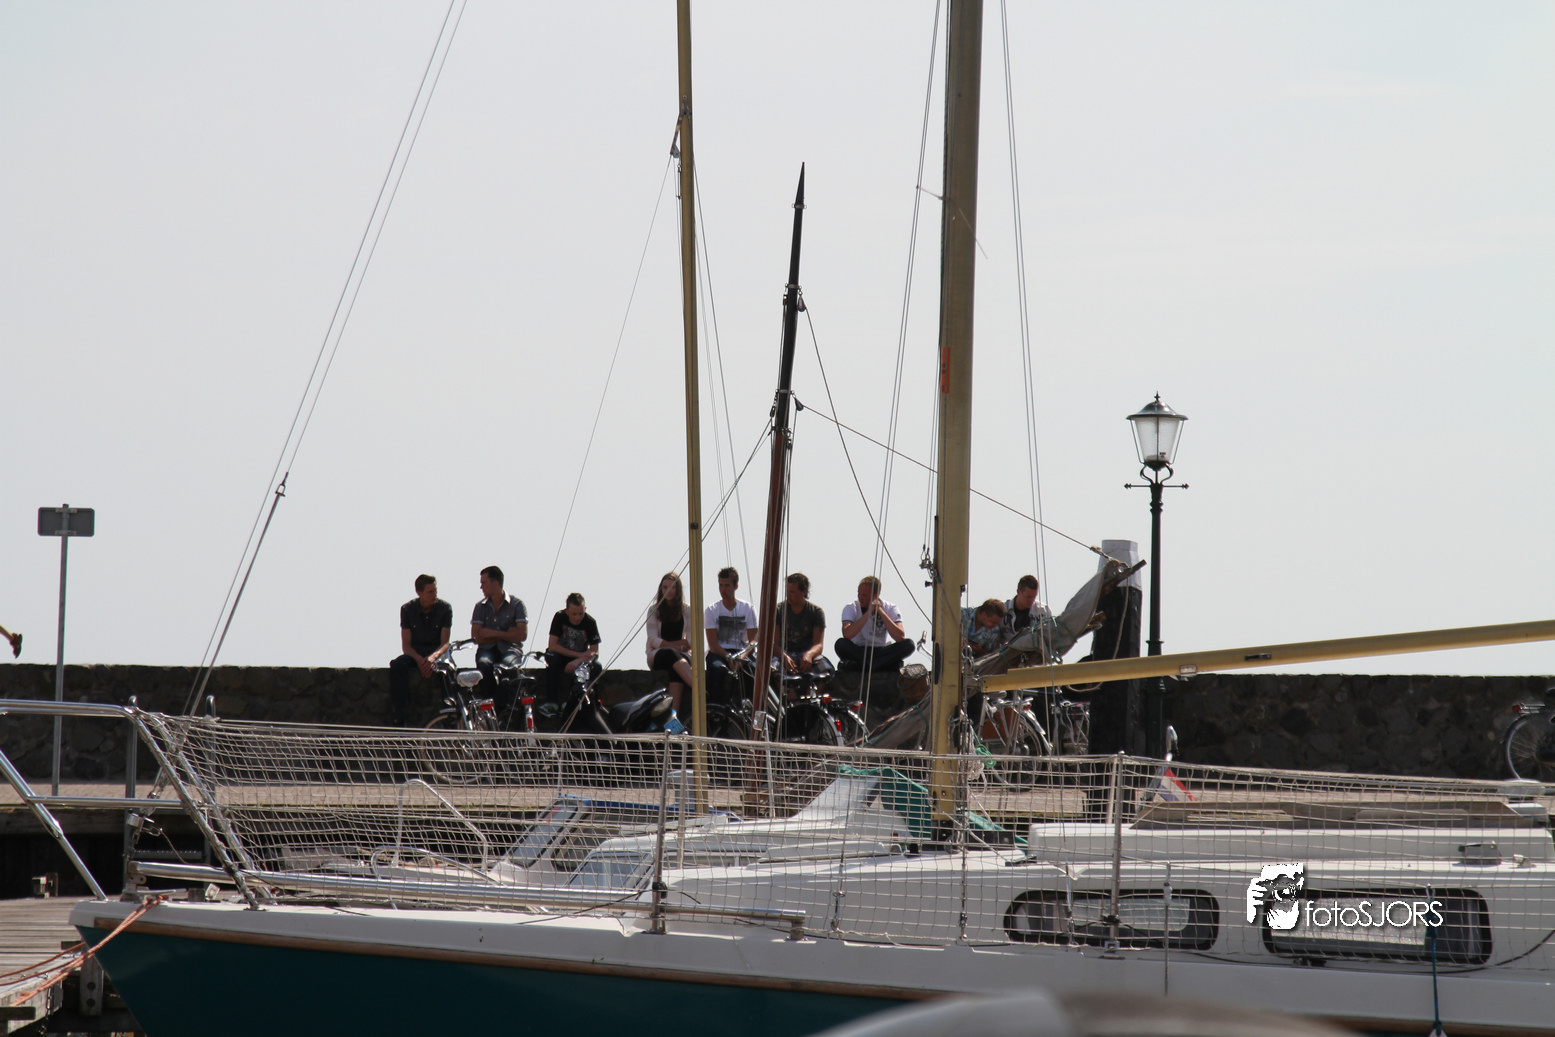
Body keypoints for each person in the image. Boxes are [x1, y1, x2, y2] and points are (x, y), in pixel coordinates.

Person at [388, 574, 452, 726]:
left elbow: (445, 644)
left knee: (448, 670)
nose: (434, 595)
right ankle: (400, 715)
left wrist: (432, 658)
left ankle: (450, 713)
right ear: (419, 593)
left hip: (437, 653)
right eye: (430, 592)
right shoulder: (407, 610)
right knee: (397, 665)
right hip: (415, 653)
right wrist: (420, 660)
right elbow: (406, 646)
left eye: (435, 591)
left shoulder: (445, 609)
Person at [471, 565, 528, 712]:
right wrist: (507, 634)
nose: (481, 587)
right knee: (484, 663)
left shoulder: (517, 605)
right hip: (487, 650)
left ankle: (503, 706)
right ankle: (488, 704)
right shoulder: (480, 607)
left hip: (510, 650)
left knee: (508, 665)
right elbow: (476, 637)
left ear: (495, 583)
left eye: (484, 583)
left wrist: (491, 633)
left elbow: (522, 635)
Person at [835, 576, 915, 671]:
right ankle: (879, 664)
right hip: (860, 650)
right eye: (859, 594)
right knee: (840, 644)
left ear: (875, 596)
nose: (860, 598)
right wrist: (868, 613)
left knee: (909, 644)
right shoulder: (851, 607)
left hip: (882, 650)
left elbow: (900, 636)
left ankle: (867, 665)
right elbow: (847, 634)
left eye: (864, 595)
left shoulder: (890, 607)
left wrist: (880, 611)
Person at [704, 566, 757, 704]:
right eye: (721, 585)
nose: (723, 590)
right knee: (717, 669)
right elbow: (713, 644)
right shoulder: (711, 610)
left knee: (752, 670)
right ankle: (716, 707)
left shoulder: (748, 609)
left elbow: (753, 640)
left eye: (727, 585)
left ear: (735, 586)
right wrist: (728, 657)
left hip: (742, 651)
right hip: (719, 652)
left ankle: (750, 707)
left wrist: (741, 658)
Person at [645, 572, 695, 711]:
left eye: (672, 587)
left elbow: (690, 642)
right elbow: (653, 640)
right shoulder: (654, 610)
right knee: (669, 653)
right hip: (659, 655)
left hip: (683, 655)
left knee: (675, 670)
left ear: (678, 590)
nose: (668, 591)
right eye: (665, 587)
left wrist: (675, 646)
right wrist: (676, 646)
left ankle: (673, 716)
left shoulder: (687, 610)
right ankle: (699, 688)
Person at [545, 592, 601, 694]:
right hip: (561, 655)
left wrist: (578, 661)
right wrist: (579, 655)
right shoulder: (559, 617)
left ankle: (586, 696)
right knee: (553, 658)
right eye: (574, 614)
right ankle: (551, 699)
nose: (578, 618)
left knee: (596, 666)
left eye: (581, 614)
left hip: (580, 660)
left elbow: (594, 652)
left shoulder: (590, 622)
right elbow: (552, 646)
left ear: (585, 609)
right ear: (567, 611)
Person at [777, 572, 827, 675]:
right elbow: (774, 643)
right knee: (773, 669)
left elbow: (818, 644)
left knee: (825, 671)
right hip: (784, 653)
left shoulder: (816, 612)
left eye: (792, 592)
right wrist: (784, 656)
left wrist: (809, 655)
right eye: (787, 592)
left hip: (806, 654)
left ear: (803, 592)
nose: (788, 595)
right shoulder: (778, 610)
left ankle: (813, 686)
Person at [1002, 574, 1054, 649]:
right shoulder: (1003, 609)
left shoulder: (1043, 611)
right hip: (1006, 653)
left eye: (1034, 597)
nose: (1032, 600)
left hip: (1034, 653)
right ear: (1019, 592)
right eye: (1028, 597)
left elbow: (1050, 636)